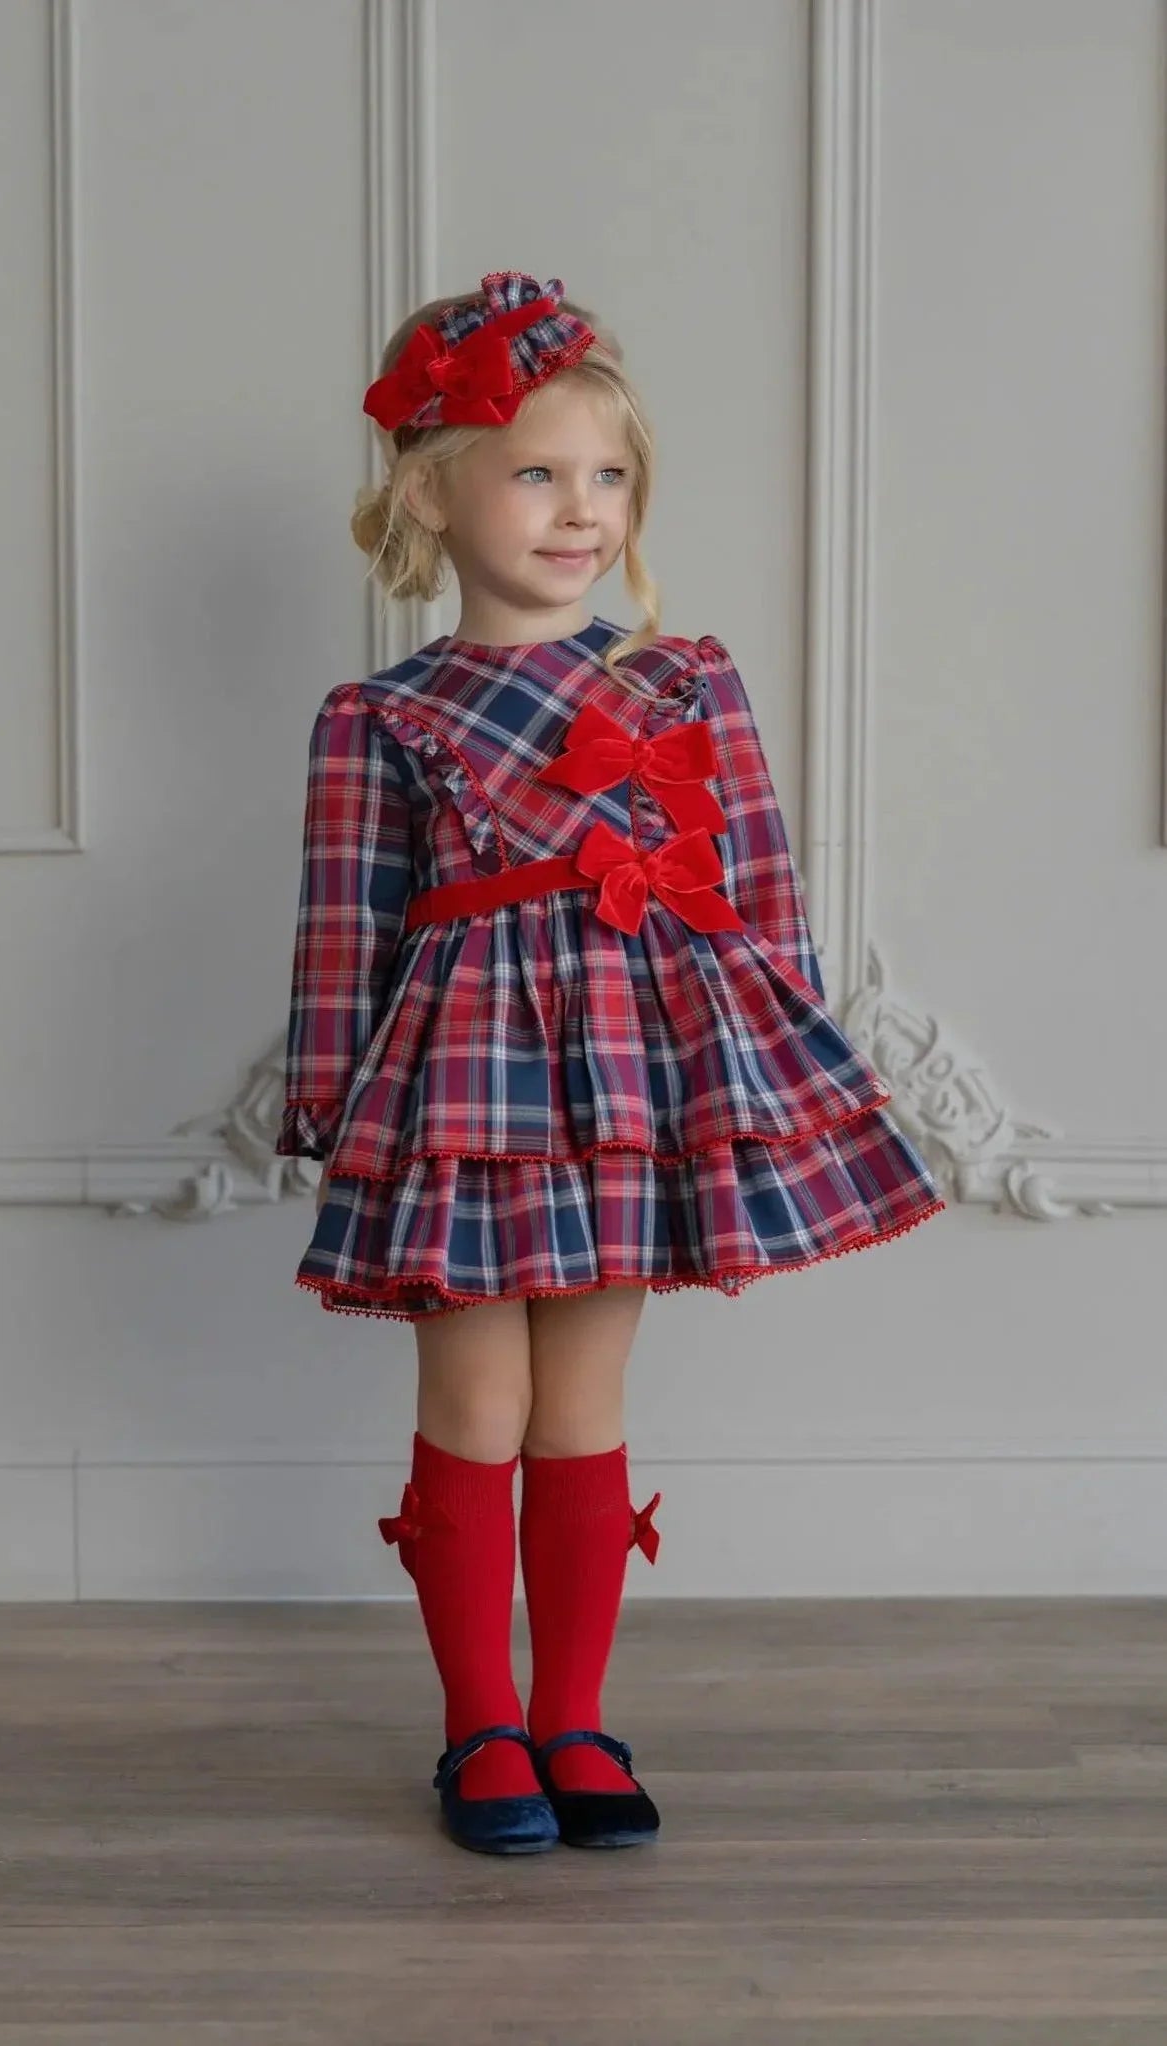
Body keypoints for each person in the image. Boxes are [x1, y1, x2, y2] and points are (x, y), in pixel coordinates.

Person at [275, 271, 946, 1856]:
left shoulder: (683, 682)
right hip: (462, 1096)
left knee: (583, 1396)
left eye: (608, 478)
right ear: (431, 490)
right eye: (536, 472)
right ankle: (478, 1728)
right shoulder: (384, 714)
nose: (580, 511)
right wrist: (329, 1102)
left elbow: (757, 889)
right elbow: (341, 929)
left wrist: (786, 1062)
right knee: (478, 1392)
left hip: (634, 1092)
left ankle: (573, 1713)